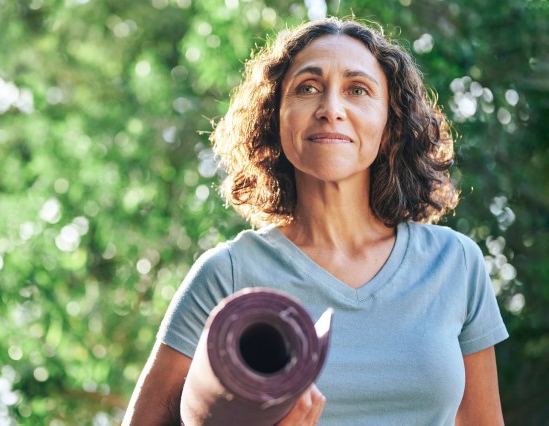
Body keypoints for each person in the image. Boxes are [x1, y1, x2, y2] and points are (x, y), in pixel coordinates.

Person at [123, 17, 508, 425]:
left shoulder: (455, 263)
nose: (331, 109)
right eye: (307, 88)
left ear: (390, 122)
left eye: (357, 90)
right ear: (275, 116)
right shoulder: (228, 275)